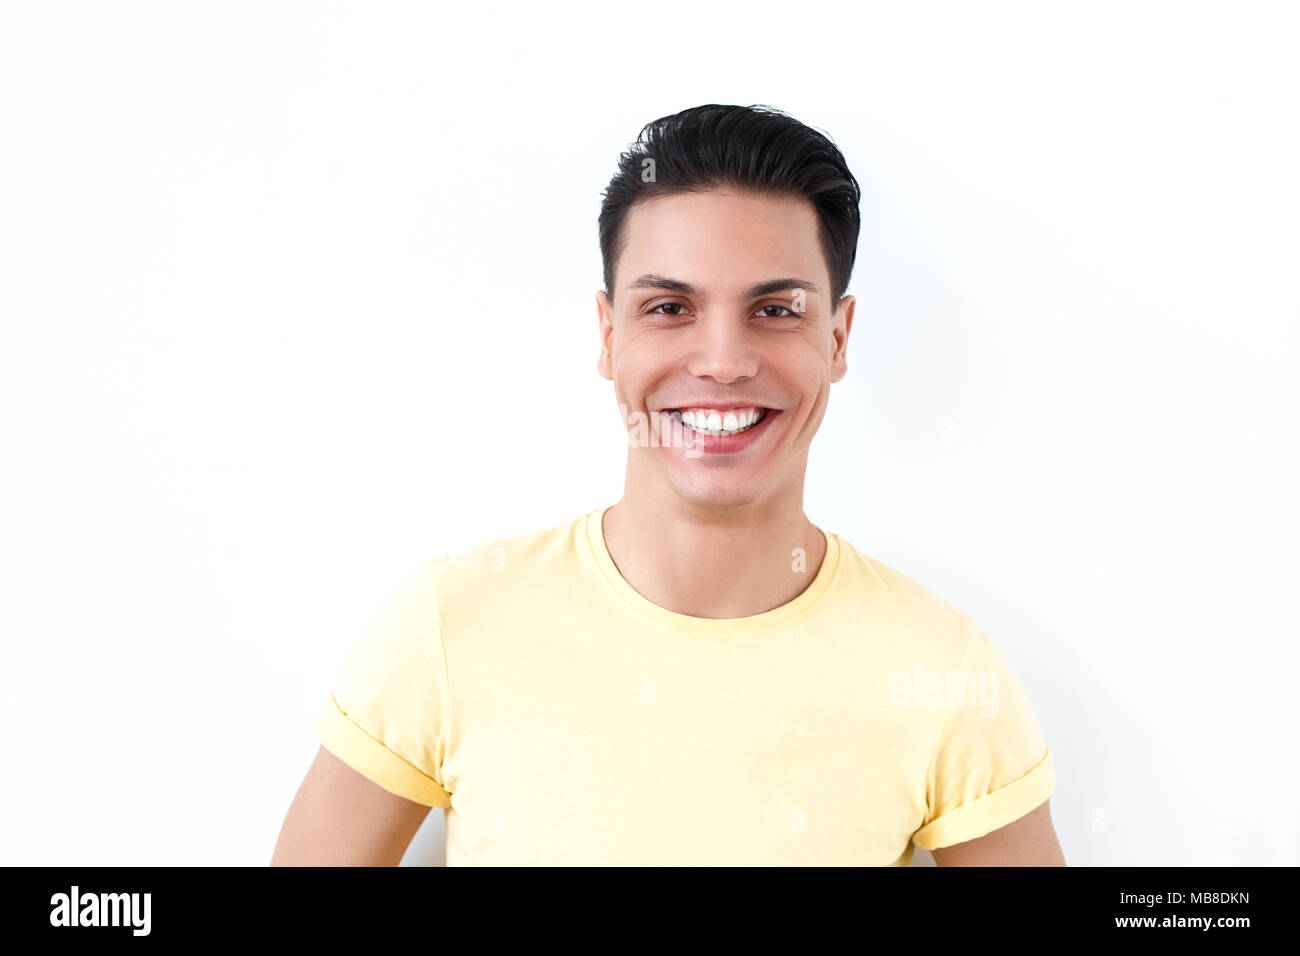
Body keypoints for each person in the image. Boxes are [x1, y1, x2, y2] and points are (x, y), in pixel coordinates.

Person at [272, 103, 1064, 866]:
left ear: (839, 337)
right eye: (669, 306)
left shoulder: (941, 668)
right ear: (610, 335)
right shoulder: (448, 625)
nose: (722, 360)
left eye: (776, 310)